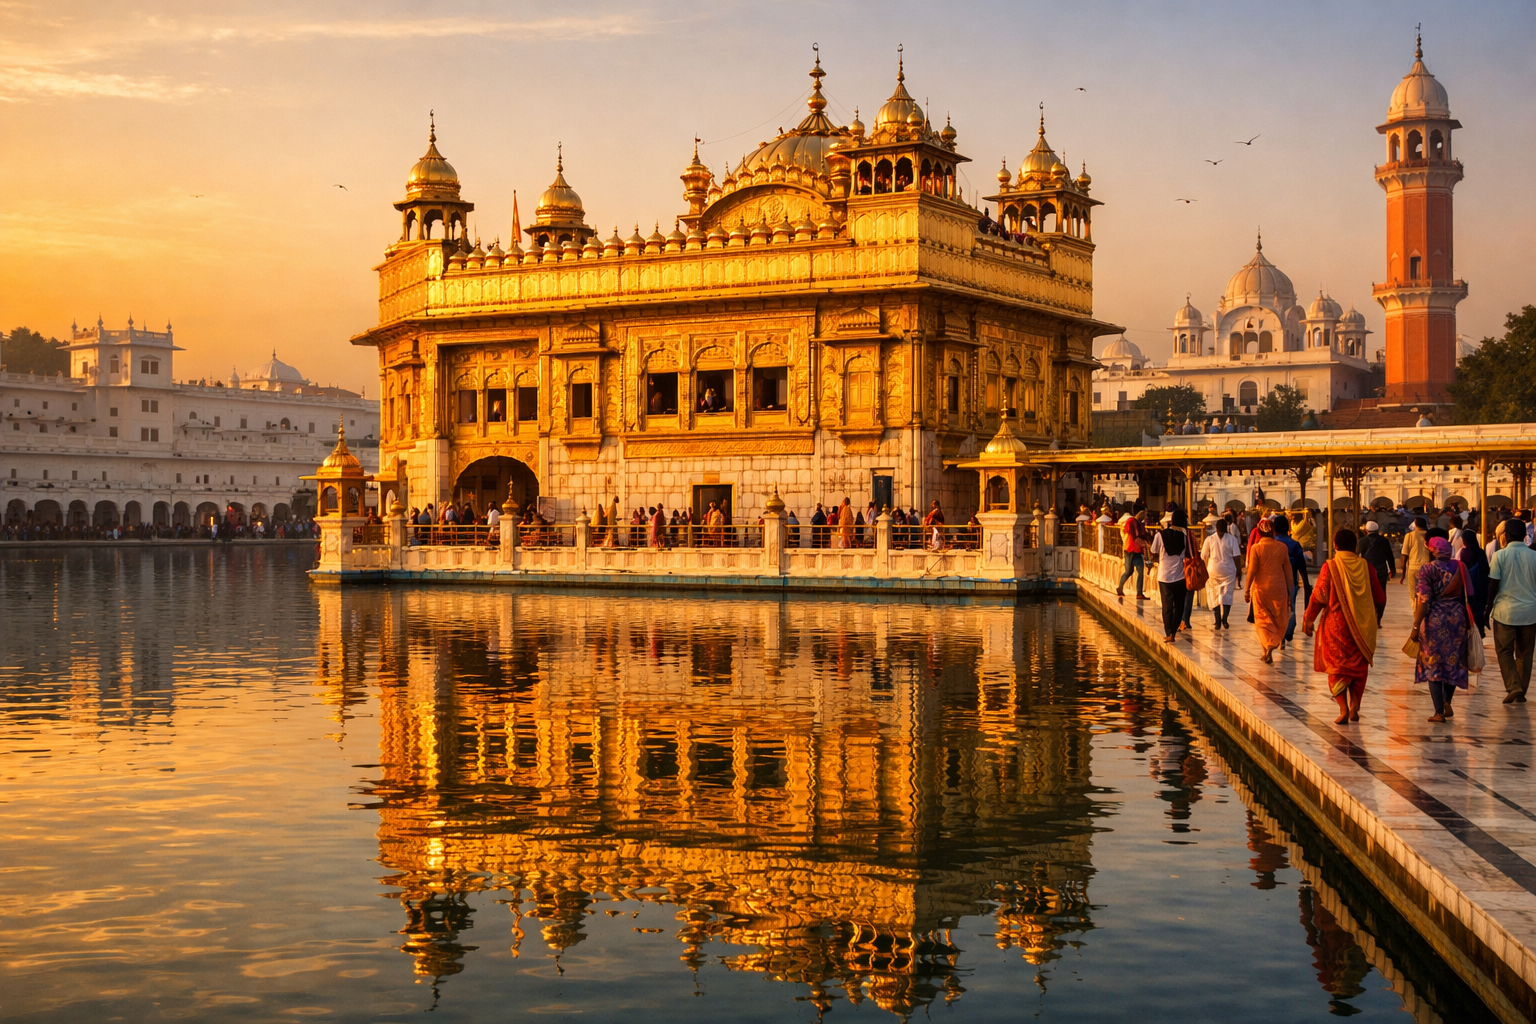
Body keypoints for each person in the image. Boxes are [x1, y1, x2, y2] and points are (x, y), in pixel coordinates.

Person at [1304, 529, 1387, 724]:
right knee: (1358, 668)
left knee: (1338, 668)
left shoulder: (1330, 567)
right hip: (1363, 626)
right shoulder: (1366, 567)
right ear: (1355, 546)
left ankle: (1343, 709)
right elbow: (1380, 597)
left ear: (1335, 545)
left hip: (1336, 627)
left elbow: (1318, 596)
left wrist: (1309, 618)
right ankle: (1355, 706)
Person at [1410, 537, 1473, 722]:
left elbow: (1423, 600)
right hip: (1457, 619)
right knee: (1453, 661)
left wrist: (1415, 626)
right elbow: (1470, 594)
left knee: (1433, 664)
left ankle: (1438, 712)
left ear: (1432, 551)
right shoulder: (1460, 567)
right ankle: (1447, 702)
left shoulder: (1427, 569)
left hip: (1435, 621)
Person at [1488, 517, 1536, 703]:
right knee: (1525, 654)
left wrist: (1487, 609)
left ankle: (1513, 686)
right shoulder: (1534, 556)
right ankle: (1520, 690)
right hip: (1530, 612)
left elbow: (1493, 584)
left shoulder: (1499, 556)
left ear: (1505, 536)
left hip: (1505, 612)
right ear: (1524, 536)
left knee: (1505, 651)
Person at [1245, 517, 1294, 664]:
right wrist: (1290, 593)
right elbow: (1289, 573)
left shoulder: (1256, 548)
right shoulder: (1282, 548)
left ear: (1259, 532)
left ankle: (1267, 646)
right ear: (1272, 531)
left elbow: (1252, 571)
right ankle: (1269, 647)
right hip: (1279, 588)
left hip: (1261, 589)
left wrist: (1246, 589)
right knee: (1278, 618)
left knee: (1262, 620)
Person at [1148, 509, 1191, 643]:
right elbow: (1188, 554)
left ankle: (1168, 633)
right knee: (1179, 606)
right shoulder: (1185, 537)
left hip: (1164, 576)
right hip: (1180, 576)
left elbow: (1153, 550)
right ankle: (1173, 632)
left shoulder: (1160, 535)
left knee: (1167, 606)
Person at [1273, 515, 1311, 645]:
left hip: (1273, 583)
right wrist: (1306, 583)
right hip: (1291, 583)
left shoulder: (1270, 544)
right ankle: (1288, 629)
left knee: (1275, 609)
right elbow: (1302, 566)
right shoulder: (1294, 545)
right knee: (1290, 606)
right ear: (1288, 528)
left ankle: (1280, 633)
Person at [1202, 515, 1242, 629]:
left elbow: (1203, 556)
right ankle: (1225, 619)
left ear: (1216, 529)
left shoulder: (1209, 539)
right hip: (1229, 571)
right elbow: (1237, 557)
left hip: (1213, 570)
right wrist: (1238, 571)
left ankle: (1217, 620)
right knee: (1227, 594)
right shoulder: (1232, 539)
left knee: (1213, 594)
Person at [1117, 510, 1148, 599]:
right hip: (1133, 550)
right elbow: (1137, 536)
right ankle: (1138, 593)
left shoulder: (1130, 522)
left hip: (1129, 549)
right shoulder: (1134, 522)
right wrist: (1144, 544)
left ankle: (1121, 588)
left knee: (1130, 571)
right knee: (1136, 571)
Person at [1359, 520, 1395, 586]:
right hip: (1381, 571)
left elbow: (1358, 556)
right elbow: (1389, 556)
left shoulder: (1362, 541)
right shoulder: (1384, 540)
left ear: (1366, 530)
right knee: (1381, 591)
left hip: (1367, 570)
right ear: (1377, 530)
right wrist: (1392, 569)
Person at [1400, 516, 1431, 586]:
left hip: (1413, 568)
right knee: (1426, 594)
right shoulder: (1430, 535)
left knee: (1413, 595)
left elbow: (1404, 555)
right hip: (1428, 568)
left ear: (1416, 525)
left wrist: (1403, 574)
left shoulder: (1409, 536)